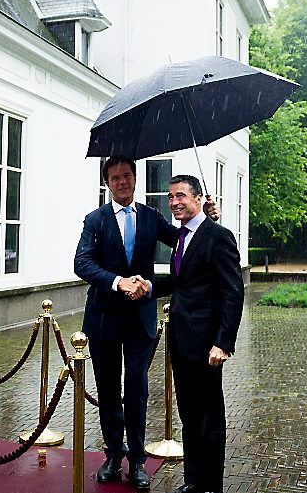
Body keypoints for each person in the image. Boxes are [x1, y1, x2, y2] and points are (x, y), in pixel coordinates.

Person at [74, 157, 217, 491]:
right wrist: (116, 281)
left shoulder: (151, 217)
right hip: (104, 319)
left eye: (127, 176)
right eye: (115, 178)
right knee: (108, 390)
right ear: (107, 183)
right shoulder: (95, 220)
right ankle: (113, 455)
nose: (122, 182)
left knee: (136, 389)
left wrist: (204, 218)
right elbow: (82, 262)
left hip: (140, 320)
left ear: (135, 179)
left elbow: (185, 239)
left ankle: (138, 460)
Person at [140, 174, 243, 493]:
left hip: (207, 345)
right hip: (181, 341)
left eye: (181, 195)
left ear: (199, 198)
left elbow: (232, 291)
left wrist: (223, 342)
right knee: (189, 414)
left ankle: (211, 485)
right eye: (170, 197)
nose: (174, 202)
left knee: (210, 417)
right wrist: (148, 286)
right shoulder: (181, 237)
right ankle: (193, 480)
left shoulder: (218, 236)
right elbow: (181, 283)